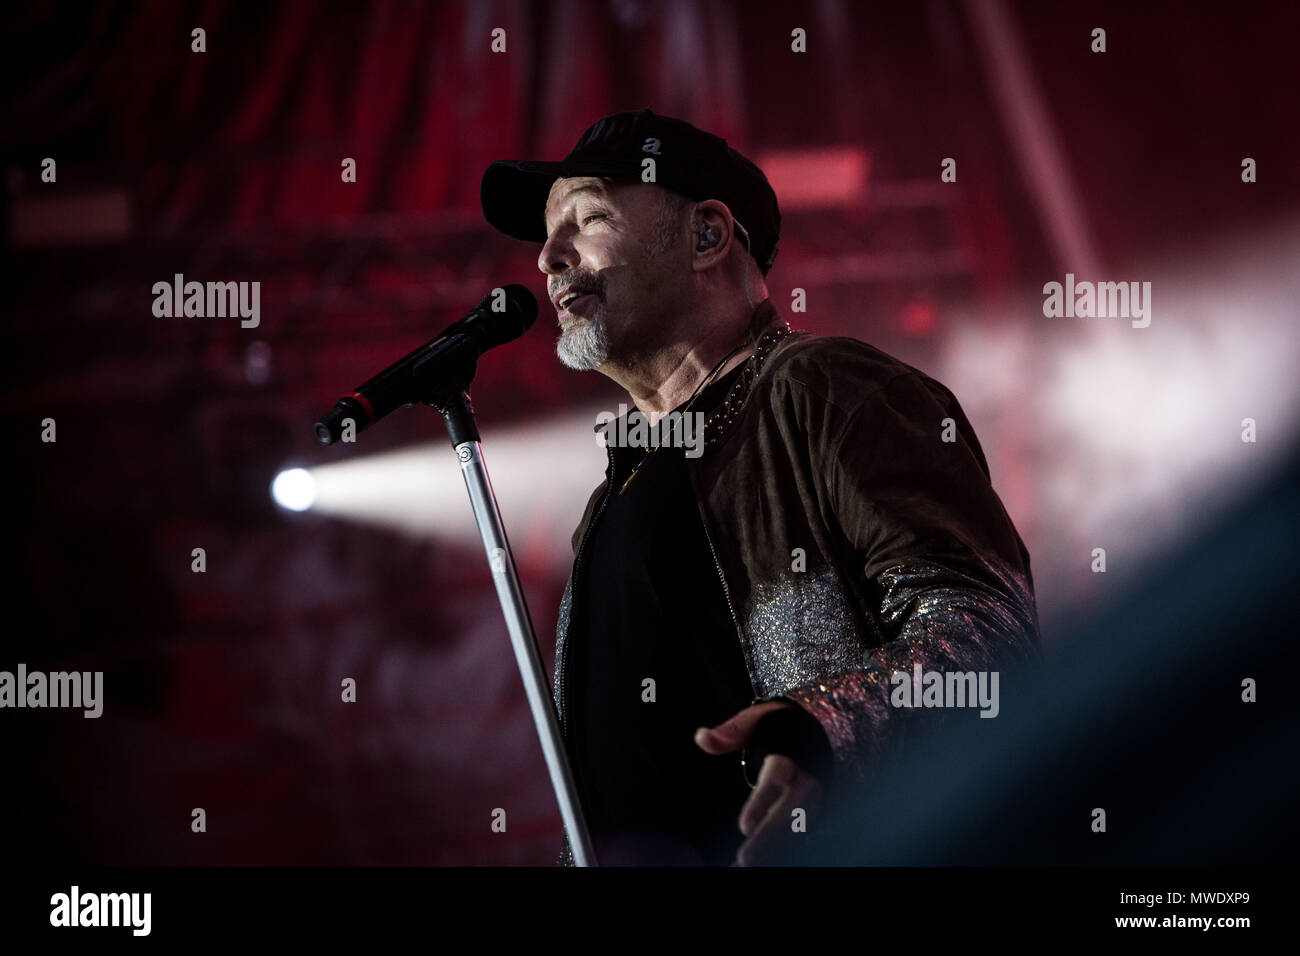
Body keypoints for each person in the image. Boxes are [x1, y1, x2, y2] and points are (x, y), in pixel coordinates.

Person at [479, 108, 1040, 866]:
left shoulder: (828, 386)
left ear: (707, 235)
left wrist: (828, 726)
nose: (548, 256)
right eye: (549, 233)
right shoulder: (611, 495)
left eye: (588, 218)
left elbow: (989, 636)